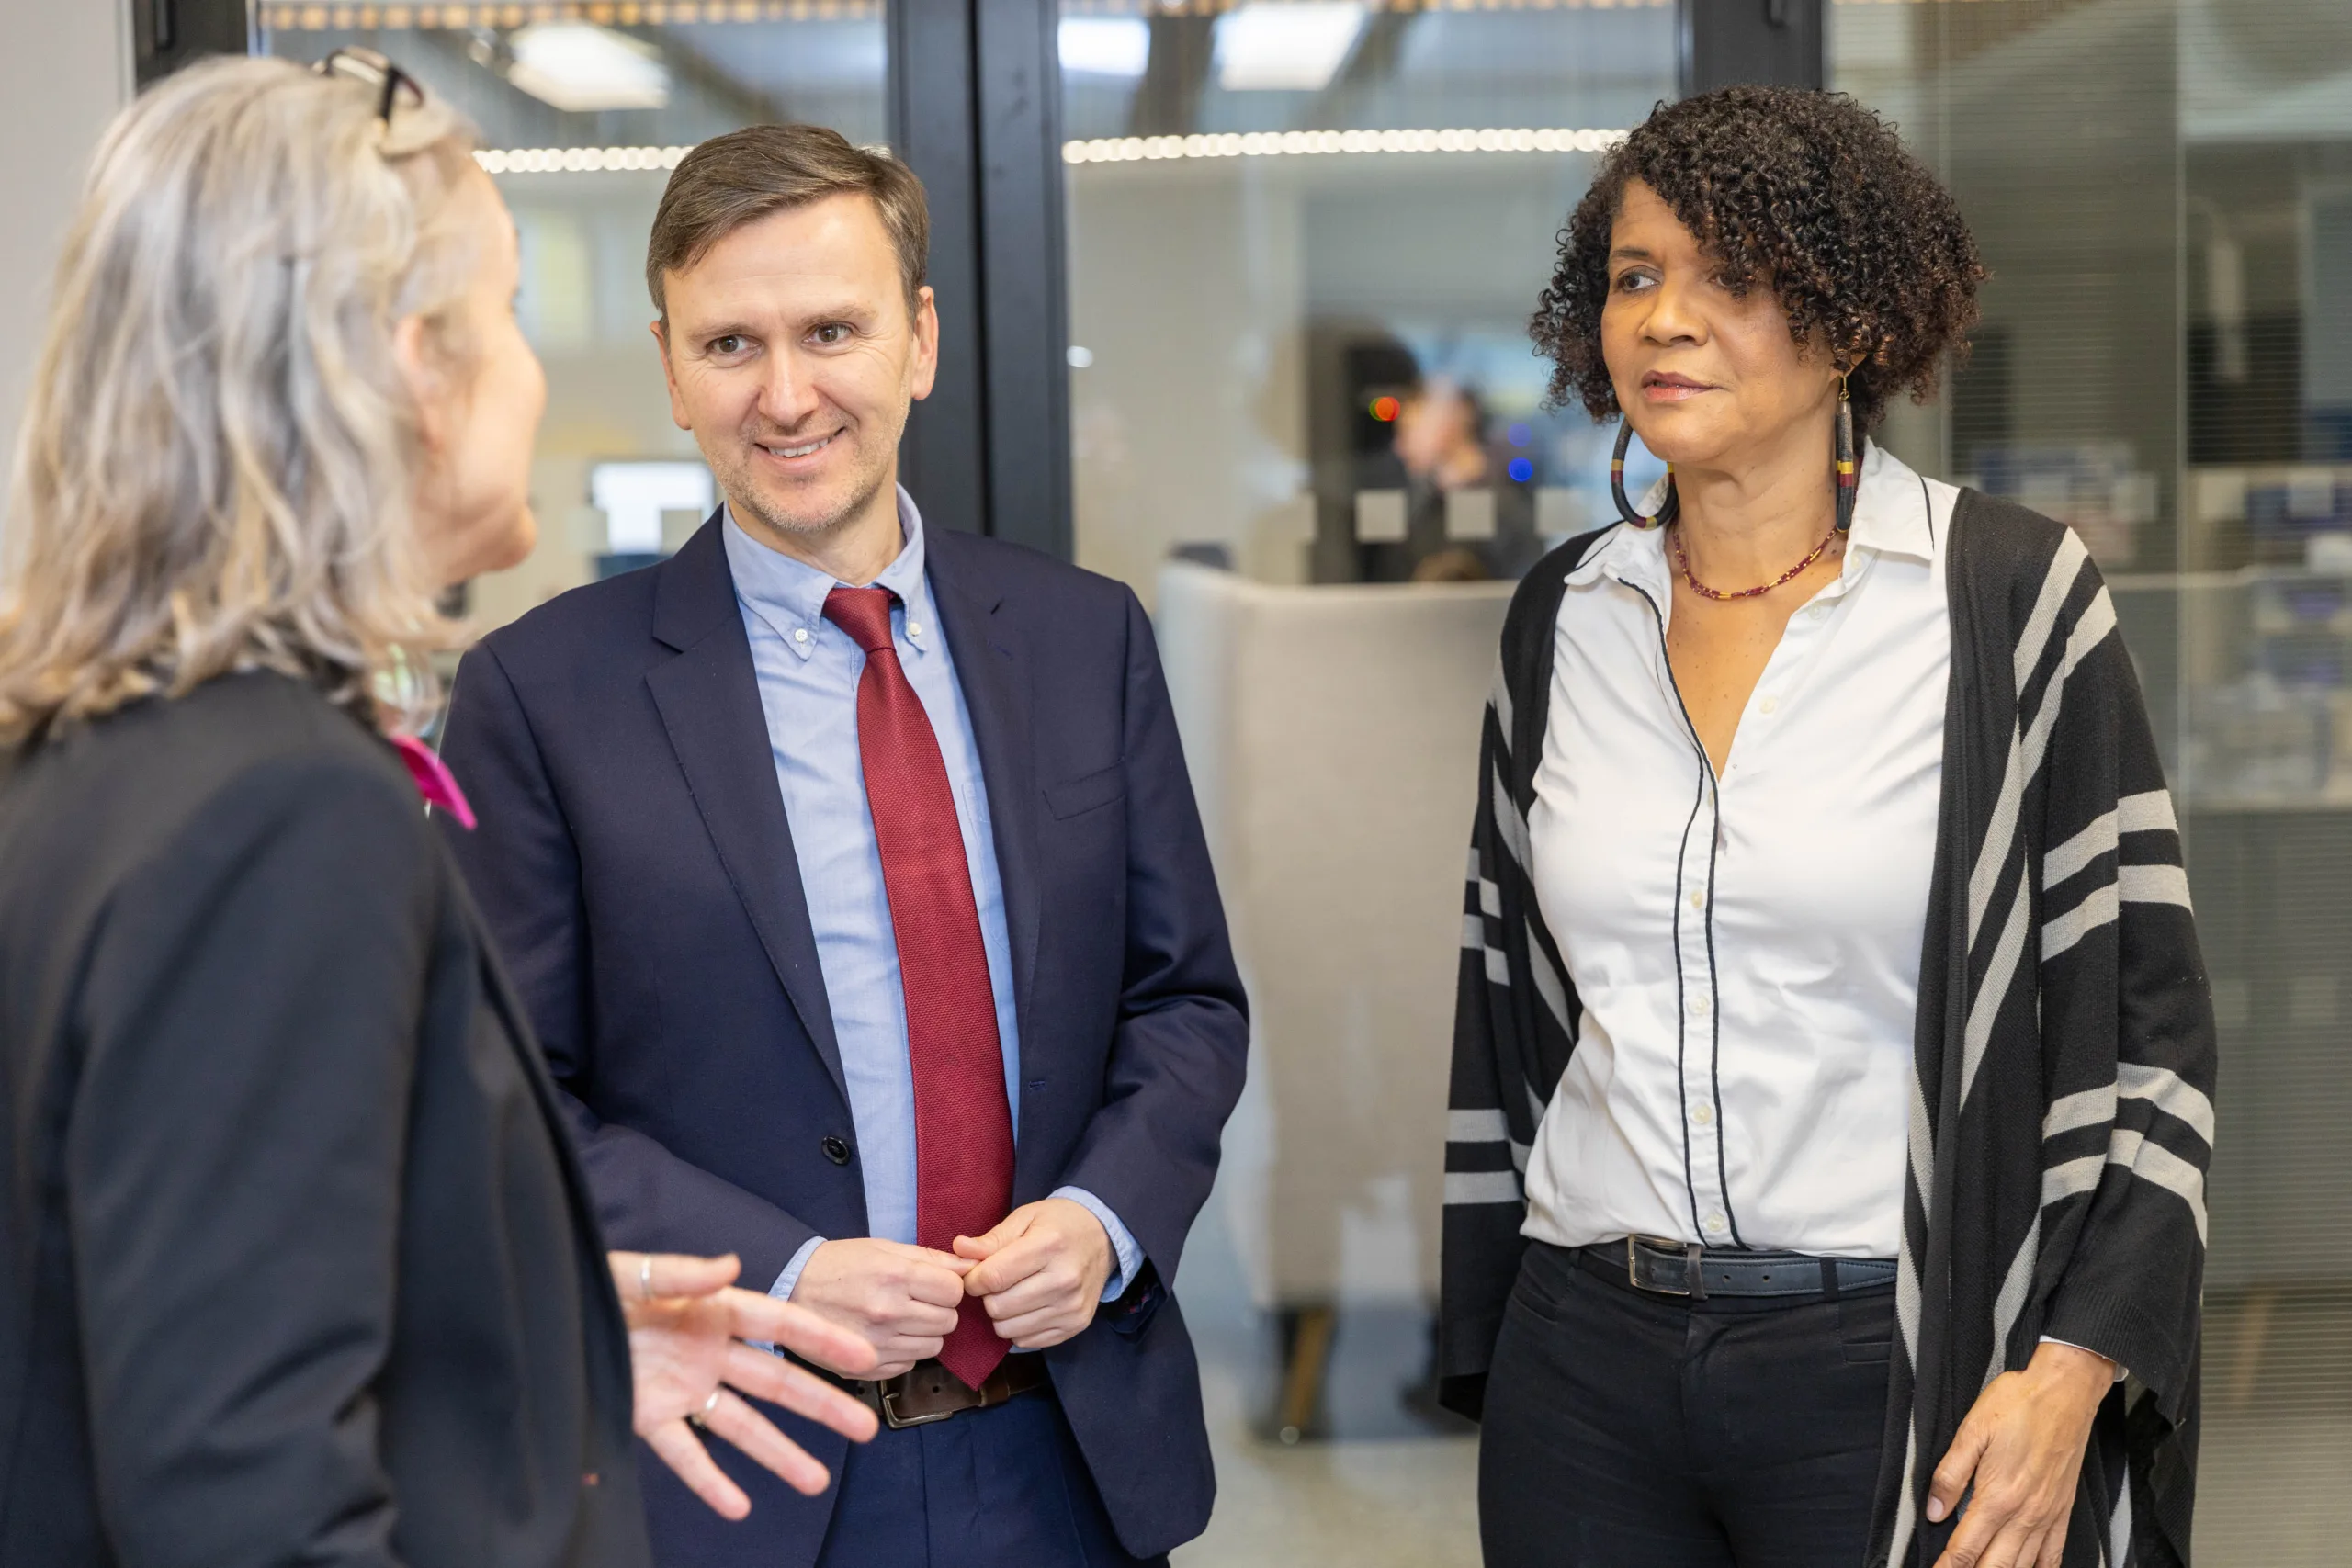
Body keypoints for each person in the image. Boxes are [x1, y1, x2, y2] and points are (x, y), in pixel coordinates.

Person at [0, 55, 883, 1567]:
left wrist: (537, 1324)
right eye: (513, 317)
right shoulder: (278, 814)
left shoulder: (99, 749)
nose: (532, 376)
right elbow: (241, 1499)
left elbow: (157, 1278)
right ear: (415, 365)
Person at [435, 123, 1249, 1568]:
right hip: (747, 1464)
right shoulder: (540, 694)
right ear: (672, 367)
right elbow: (513, 1105)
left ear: (919, 340)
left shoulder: (1083, 638)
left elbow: (1182, 1001)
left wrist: (1109, 1216)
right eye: (732, 343)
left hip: (1074, 1451)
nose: (788, 393)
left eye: (832, 331)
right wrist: (786, 1265)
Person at [1441, 87, 2214, 1568]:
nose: (1667, 318)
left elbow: (2154, 1034)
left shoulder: (2004, 601)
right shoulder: (1562, 620)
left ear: (1852, 318)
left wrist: (2071, 1373)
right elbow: (1511, 1007)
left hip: (1898, 1358)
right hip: (1585, 1363)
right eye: (1634, 275)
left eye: (1732, 277)